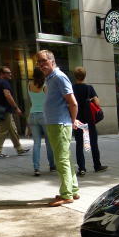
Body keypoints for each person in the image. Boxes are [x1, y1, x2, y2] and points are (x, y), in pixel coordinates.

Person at [36, 49, 81, 207]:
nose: (41, 65)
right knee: (65, 159)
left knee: (61, 160)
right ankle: (73, 190)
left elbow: (73, 102)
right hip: (57, 123)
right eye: (39, 62)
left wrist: (73, 120)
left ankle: (66, 194)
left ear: (52, 61)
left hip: (60, 124)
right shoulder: (50, 78)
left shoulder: (59, 77)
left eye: (44, 61)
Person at [72, 66, 108, 176]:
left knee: (79, 144)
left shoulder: (71, 88)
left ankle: (82, 168)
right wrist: (91, 99)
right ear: (84, 76)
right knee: (93, 143)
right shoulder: (89, 88)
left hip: (77, 120)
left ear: (75, 76)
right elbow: (97, 103)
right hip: (89, 120)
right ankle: (97, 166)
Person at [0, 66, 30, 159]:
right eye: (8, 73)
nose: (10, 74)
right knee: (2, 131)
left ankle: (19, 149)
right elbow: (7, 95)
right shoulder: (4, 83)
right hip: (5, 110)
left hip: (0, 110)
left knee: (13, 130)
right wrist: (16, 107)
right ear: (2, 74)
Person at [28, 67, 55, 176]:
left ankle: (36, 168)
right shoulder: (45, 85)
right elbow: (50, 101)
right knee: (49, 142)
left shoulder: (29, 85)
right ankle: (52, 165)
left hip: (33, 115)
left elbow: (31, 101)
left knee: (36, 143)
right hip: (44, 115)